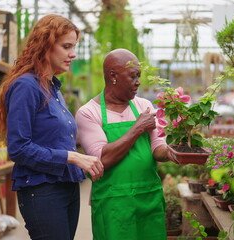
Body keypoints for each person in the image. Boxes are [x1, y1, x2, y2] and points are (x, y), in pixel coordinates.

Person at [0, 14, 104, 240]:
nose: (73, 54)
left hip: (66, 186)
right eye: (66, 47)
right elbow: (18, 148)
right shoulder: (26, 86)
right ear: (45, 45)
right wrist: (72, 157)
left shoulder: (52, 87)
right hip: (42, 190)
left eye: (74, 47)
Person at [75, 48, 169, 240]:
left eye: (139, 76)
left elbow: (157, 148)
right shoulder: (88, 113)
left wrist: (175, 152)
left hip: (148, 197)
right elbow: (102, 159)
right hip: (113, 203)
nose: (138, 82)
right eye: (133, 76)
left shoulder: (144, 106)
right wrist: (137, 129)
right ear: (113, 76)